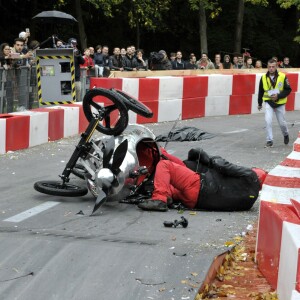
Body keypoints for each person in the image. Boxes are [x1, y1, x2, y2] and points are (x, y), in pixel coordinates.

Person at [138, 147, 267, 212]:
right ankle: (166, 195)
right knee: (172, 185)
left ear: (256, 173)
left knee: (164, 164)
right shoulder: (249, 203)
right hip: (194, 202)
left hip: (198, 185)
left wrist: (212, 159)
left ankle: (160, 199)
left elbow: (223, 166)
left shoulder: (250, 175)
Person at [258, 58, 292, 147]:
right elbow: (260, 91)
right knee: (267, 121)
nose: (271, 68)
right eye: (269, 67)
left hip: (280, 102)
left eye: (273, 67)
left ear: (276, 66)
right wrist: (259, 103)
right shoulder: (263, 78)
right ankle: (269, 140)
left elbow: (288, 90)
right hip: (269, 102)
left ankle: (285, 134)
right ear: (267, 67)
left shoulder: (283, 76)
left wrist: (278, 96)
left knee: (282, 123)